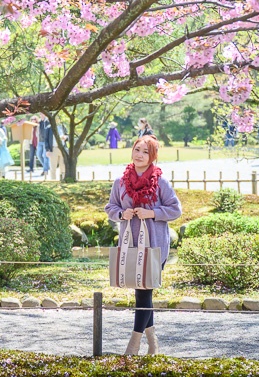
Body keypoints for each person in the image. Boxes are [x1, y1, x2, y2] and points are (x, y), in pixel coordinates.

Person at [104, 136, 182, 356]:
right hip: (131, 245)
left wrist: (153, 213)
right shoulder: (120, 182)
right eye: (136, 149)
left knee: (144, 291)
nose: (139, 154)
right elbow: (110, 207)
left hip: (155, 247)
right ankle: (153, 344)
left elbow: (176, 210)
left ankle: (133, 345)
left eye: (145, 152)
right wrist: (121, 213)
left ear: (153, 156)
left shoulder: (160, 183)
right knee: (142, 292)